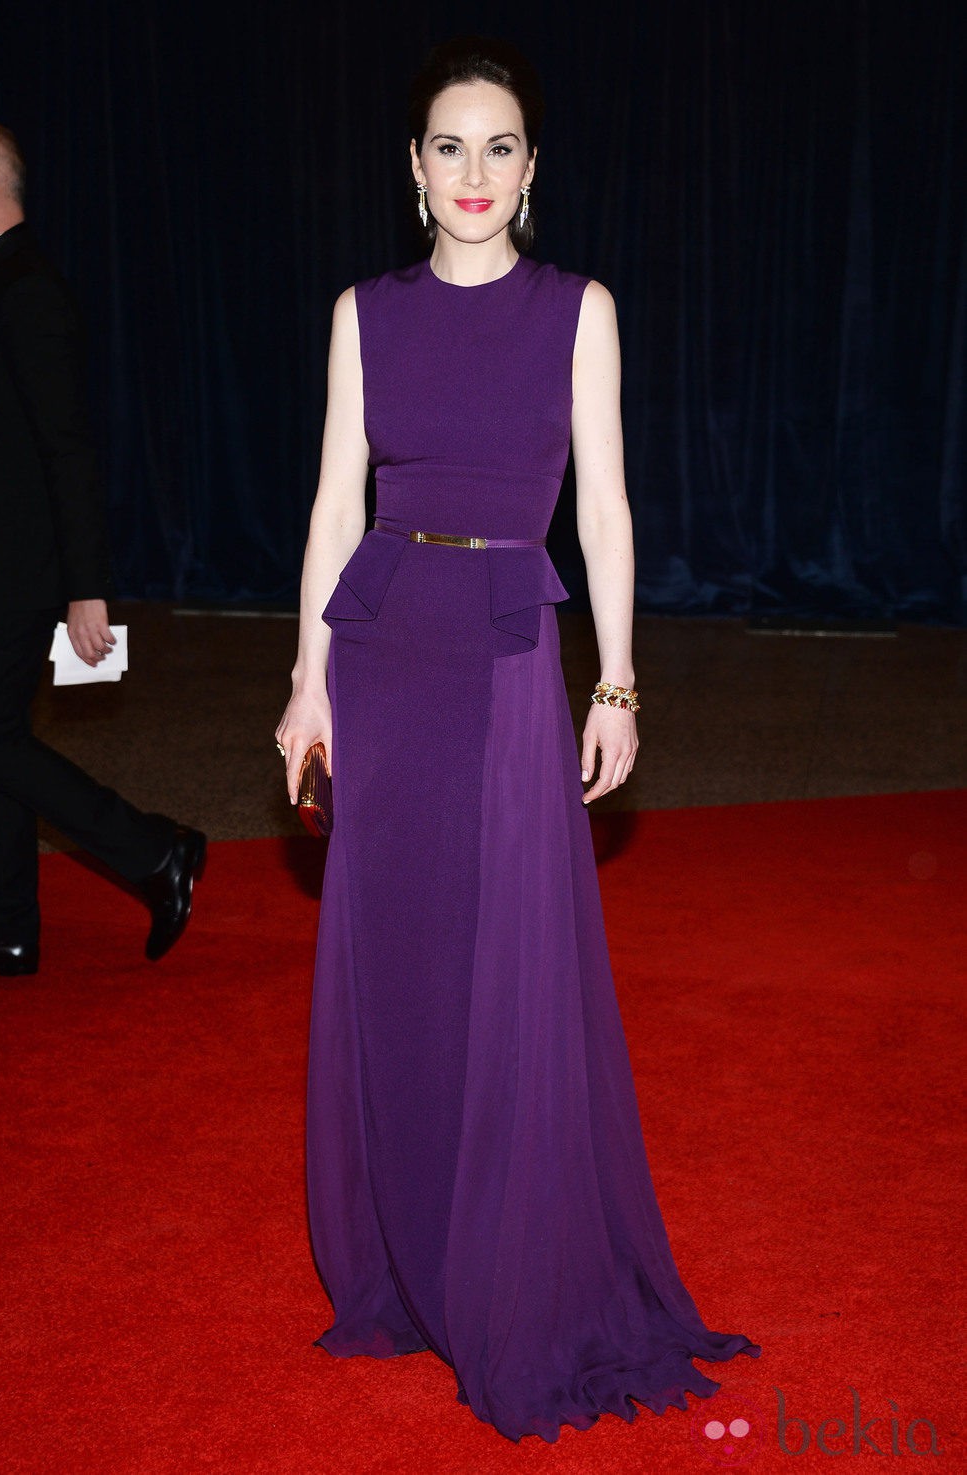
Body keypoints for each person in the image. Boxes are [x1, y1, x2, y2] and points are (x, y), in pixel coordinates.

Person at [276, 38, 760, 1443]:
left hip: (501, 643)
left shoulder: (578, 308)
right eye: (448, 146)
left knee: (508, 967)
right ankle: (413, 1256)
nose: (473, 173)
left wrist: (617, 683)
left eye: (499, 148)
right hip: (382, 648)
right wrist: (306, 678)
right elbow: (328, 506)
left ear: (532, 169)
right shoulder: (364, 311)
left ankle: (507, 1263)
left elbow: (603, 507)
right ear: (413, 168)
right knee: (404, 964)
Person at [0, 119, 205, 977]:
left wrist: (88, 587)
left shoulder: (27, 285)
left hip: (21, 565)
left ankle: (154, 850)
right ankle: (8, 925)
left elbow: (68, 446)